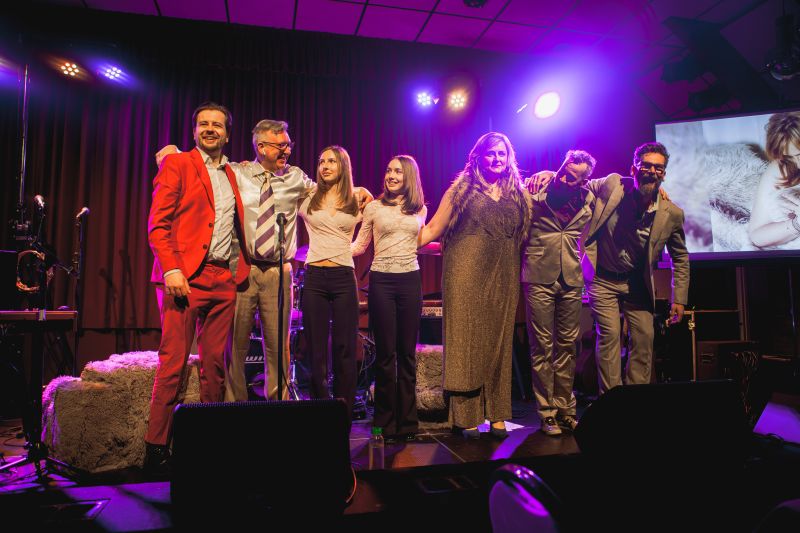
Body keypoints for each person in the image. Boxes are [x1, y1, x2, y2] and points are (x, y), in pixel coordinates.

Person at [155, 122, 372, 402]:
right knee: (235, 347)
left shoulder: (296, 177)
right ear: (261, 147)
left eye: (289, 145)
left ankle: (278, 409)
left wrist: (359, 189)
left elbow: (328, 190)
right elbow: (206, 169)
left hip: (279, 272)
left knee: (279, 348)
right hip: (244, 268)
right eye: (281, 145)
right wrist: (174, 153)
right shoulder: (237, 172)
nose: (287, 150)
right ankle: (235, 407)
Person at [145, 102, 249, 472]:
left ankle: (209, 442)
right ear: (194, 131)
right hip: (184, 278)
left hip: (224, 279)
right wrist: (172, 269)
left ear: (227, 134)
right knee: (173, 361)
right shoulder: (178, 163)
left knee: (215, 365)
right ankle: (156, 447)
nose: (210, 129)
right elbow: (158, 224)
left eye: (217, 125)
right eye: (203, 124)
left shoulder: (235, 174)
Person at [418, 132, 530, 439]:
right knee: (466, 342)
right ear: (477, 157)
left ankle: (497, 413)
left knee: (499, 343)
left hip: (504, 274)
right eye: (491, 153)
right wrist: (397, 241)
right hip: (465, 274)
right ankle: (466, 415)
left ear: (509, 158)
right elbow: (433, 229)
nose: (496, 159)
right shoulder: (461, 190)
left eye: (502, 154)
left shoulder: (518, 194)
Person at [582, 142, 689, 394]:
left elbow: (680, 257)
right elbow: (578, 182)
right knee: (609, 337)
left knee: (644, 338)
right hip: (603, 279)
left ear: (664, 174)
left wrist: (679, 298)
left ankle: (634, 401)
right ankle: (612, 402)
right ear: (634, 168)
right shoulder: (613, 186)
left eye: (658, 168)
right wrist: (548, 176)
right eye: (646, 166)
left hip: (637, 283)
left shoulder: (672, 214)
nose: (652, 172)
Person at [351, 155, 427, 442]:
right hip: (381, 280)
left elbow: (417, 242)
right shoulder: (373, 207)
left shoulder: (420, 209)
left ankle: (407, 423)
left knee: (406, 354)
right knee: (385, 354)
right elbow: (360, 245)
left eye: (398, 171)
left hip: (410, 280)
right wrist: (329, 249)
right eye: (388, 170)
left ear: (409, 177)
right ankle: (382, 424)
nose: (391, 175)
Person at [521, 150, 596, 436]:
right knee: (541, 346)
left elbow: (623, 183)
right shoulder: (536, 189)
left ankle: (566, 409)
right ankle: (546, 413)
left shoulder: (588, 197)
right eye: (563, 171)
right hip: (538, 274)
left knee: (567, 346)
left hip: (571, 277)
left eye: (573, 177)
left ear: (584, 181)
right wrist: (549, 174)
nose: (564, 178)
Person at [299, 146, 362, 423]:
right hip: (314, 277)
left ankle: (343, 417)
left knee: (345, 349)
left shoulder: (358, 198)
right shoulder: (308, 197)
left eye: (331, 161)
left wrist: (345, 251)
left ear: (343, 166)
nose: (325, 166)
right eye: (321, 161)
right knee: (316, 350)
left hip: (344, 277)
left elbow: (366, 237)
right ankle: (320, 416)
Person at [749, 112, 800, 249]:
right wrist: (797, 224)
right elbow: (757, 236)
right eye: (790, 156)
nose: (798, 164)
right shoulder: (785, 167)